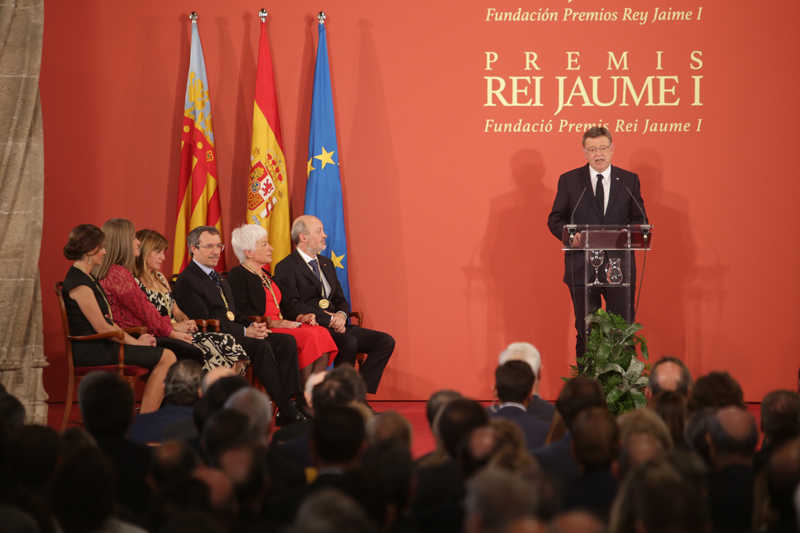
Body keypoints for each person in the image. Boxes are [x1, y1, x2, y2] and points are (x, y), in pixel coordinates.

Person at [172, 225, 306, 426]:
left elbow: (233, 314)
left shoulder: (219, 278)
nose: (216, 251)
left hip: (231, 330)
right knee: (261, 346)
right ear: (193, 248)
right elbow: (206, 321)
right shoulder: (187, 279)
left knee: (285, 341)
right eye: (209, 246)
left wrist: (254, 326)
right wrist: (245, 331)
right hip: (211, 337)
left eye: (219, 246)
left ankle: (292, 402)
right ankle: (286, 408)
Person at [547, 126, 648, 359]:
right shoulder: (570, 181)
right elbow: (555, 219)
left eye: (603, 148)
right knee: (586, 331)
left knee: (621, 331)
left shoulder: (629, 181)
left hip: (619, 269)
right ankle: (585, 390)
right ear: (584, 152)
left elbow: (640, 220)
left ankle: (622, 391)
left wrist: (629, 233)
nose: (598, 154)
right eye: (592, 149)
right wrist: (572, 237)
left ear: (612, 150)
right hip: (582, 268)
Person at [98, 220, 249, 374]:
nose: (137, 242)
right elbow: (146, 314)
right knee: (219, 342)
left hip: (163, 330)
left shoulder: (158, 277)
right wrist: (173, 330)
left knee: (224, 342)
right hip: (150, 333)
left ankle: (219, 392)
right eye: (158, 252)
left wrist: (185, 322)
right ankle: (205, 393)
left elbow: (175, 308)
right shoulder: (124, 276)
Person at [273, 215, 395, 394]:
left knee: (385, 341)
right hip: (314, 327)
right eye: (319, 231)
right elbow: (292, 306)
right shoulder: (286, 267)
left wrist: (341, 316)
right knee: (349, 342)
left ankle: (358, 395)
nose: (325, 235)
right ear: (303, 237)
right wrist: (328, 320)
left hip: (338, 324)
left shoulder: (326, 263)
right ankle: (340, 397)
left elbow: (340, 299)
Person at [61, 224, 175, 413]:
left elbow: (108, 322)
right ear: (90, 251)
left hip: (104, 345)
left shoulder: (88, 278)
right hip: (92, 350)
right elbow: (102, 327)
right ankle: (146, 420)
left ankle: (146, 414)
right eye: (102, 248)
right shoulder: (79, 284)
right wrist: (136, 344)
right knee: (167, 356)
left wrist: (135, 341)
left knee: (165, 354)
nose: (105, 252)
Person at [227, 223, 337, 386]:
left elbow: (282, 305)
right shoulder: (238, 275)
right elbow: (241, 312)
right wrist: (272, 322)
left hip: (283, 323)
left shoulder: (265, 274)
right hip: (264, 328)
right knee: (311, 336)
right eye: (264, 244)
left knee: (321, 332)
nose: (271, 249)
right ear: (248, 252)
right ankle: (302, 397)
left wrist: (301, 316)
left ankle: (312, 394)